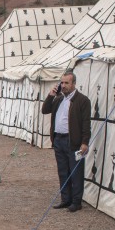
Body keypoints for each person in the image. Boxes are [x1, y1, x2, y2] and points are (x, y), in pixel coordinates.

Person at [41, 70, 92, 212]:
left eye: (66, 83)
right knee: (62, 171)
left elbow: (86, 123)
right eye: (61, 83)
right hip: (58, 139)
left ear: (74, 83)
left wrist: (85, 142)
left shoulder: (82, 100)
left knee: (75, 171)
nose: (63, 86)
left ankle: (76, 201)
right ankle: (65, 199)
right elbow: (45, 110)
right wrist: (51, 95)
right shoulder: (58, 99)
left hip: (73, 141)